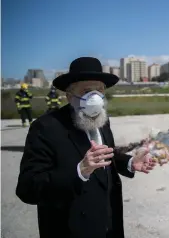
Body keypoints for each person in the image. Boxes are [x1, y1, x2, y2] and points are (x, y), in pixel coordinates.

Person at [16, 57, 157, 238]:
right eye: (87, 91)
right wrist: (80, 170)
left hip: (108, 224)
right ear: (69, 95)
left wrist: (129, 162)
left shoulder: (102, 120)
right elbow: (27, 189)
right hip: (70, 229)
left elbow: (106, 154)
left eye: (99, 90)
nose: (95, 98)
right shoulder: (46, 128)